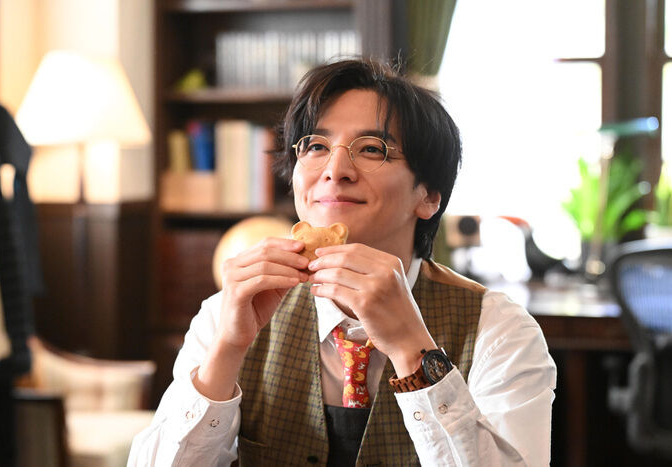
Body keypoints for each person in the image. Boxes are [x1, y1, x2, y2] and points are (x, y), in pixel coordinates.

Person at [129, 59, 556, 466]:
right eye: (316, 145)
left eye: (371, 149)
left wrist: (412, 349)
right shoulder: (226, 313)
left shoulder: (498, 329)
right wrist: (227, 351)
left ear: (428, 196)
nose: (335, 170)